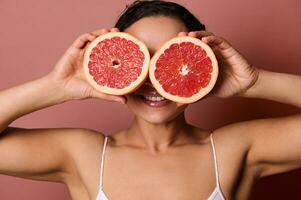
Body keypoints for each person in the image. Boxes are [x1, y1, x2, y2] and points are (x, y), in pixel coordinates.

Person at [0, 0, 300, 200]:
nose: (152, 78)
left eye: (170, 59)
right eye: (139, 60)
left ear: (202, 64)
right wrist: (57, 86)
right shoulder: (84, 155)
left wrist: (255, 82)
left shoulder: (233, 150)